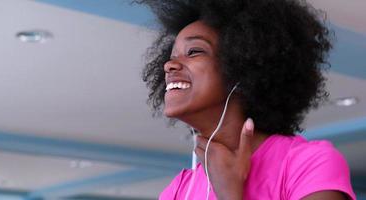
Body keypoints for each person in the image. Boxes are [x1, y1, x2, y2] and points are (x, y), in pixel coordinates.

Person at [137, 0, 356, 199]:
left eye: (194, 51)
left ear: (242, 66)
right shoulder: (179, 189)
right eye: (171, 57)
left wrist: (229, 193)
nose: (169, 65)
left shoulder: (308, 164)